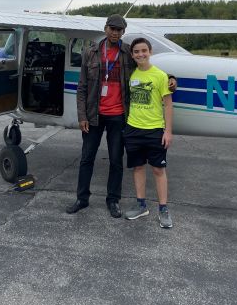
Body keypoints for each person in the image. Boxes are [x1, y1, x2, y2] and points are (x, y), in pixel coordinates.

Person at [67, 15, 176, 218]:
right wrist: (82, 115)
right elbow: (82, 87)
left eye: (119, 30)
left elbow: (147, 68)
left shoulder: (128, 52)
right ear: (106, 28)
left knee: (116, 160)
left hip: (119, 115)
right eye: (112, 28)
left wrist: (170, 78)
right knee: (86, 158)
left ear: (123, 32)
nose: (115, 32)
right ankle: (82, 199)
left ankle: (113, 200)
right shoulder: (90, 53)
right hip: (93, 115)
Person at [123, 37, 174, 228]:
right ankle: (141, 205)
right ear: (132, 55)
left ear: (150, 52)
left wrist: (167, 131)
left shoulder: (160, 76)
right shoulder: (132, 75)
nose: (140, 54)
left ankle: (163, 209)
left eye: (144, 50)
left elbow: (168, 105)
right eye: (136, 51)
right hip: (133, 128)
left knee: (158, 170)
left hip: (154, 129)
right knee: (137, 167)